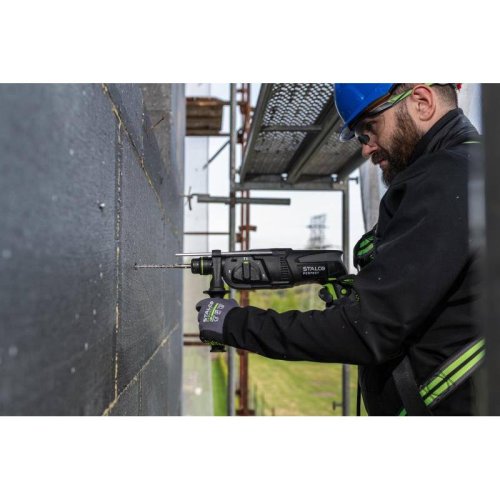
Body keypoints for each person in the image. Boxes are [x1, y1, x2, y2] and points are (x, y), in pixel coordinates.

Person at [195, 83, 484, 416]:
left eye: (369, 128)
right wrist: (365, 293)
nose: (366, 149)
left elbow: (367, 330)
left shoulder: (447, 178)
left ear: (421, 102)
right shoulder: (467, 170)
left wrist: (233, 322)